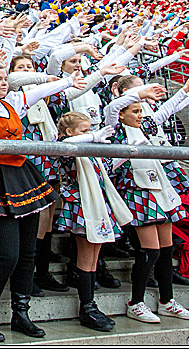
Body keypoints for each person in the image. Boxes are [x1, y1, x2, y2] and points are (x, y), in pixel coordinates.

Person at [0, 48, 80, 342]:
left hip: (22, 176)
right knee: (7, 254)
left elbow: (40, 92)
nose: (4, 83)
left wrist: (65, 81)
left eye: (5, 79)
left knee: (28, 251)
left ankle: (20, 313)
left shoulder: (12, 104)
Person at [104, 87, 189, 325]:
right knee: (151, 250)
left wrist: (188, 90)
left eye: (141, 111)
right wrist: (139, 92)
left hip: (159, 187)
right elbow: (112, 107)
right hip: (137, 190)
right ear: (122, 114)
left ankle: (167, 301)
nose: (139, 115)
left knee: (166, 249)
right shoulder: (115, 131)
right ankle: (136, 302)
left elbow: (168, 109)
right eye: (134, 111)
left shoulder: (145, 128)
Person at [54, 111, 127, 332]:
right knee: (86, 258)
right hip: (82, 205)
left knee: (94, 258)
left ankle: (91, 305)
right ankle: (86, 307)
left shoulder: (91, 151)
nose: (90, 134)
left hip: (97, 203)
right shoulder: (67, 147)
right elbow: (67, 144)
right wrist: (92, 137)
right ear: (69, 131)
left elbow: (109, 166)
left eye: (89, 130)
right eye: (84, 131)